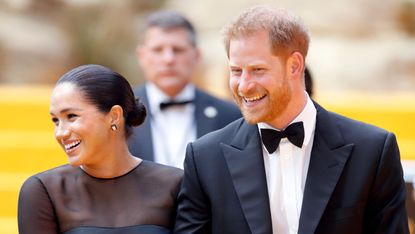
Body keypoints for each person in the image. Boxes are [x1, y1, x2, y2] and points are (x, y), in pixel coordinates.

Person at [174, 6, 408, 234]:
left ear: (294, 65)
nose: (244, 86)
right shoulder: (205, 159)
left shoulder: (372, 151)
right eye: (236, 71)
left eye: (257, 69)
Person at [18, 64, 182, 234]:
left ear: (114, 116)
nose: (61, 133)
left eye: (71, 116)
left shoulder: (175, 184)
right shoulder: (44, 191)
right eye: (55, 120)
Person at [128, 10, 241, 169]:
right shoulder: (120, 113)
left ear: (196, 56)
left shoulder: (231, 115)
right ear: (141, 56)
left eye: (178, 50)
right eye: (158, 50)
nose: (168, 59)